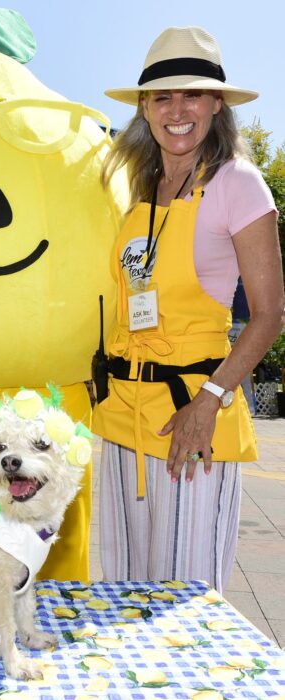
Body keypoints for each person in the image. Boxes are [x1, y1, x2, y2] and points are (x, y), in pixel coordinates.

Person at [93, 26, 284, 592]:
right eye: (162, 96)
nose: (178, 110)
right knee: (122, 592)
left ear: (217, 104)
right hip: (123, 418)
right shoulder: (137, 189)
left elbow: (271, 314)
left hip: (191, 422)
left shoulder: (238, 184)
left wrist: (211, 400)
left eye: (193, 94)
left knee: (185, 602)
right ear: (145, 108)